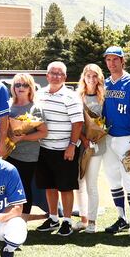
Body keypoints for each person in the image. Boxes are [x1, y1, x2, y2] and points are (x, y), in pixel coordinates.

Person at [101, 46, 130, 242]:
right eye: (108, 60)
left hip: (127, 138)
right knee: (113, 178)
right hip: (107, 138)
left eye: (115, 59)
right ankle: (121, 218)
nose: (112, 63)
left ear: (122, 61)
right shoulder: (104, 84)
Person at [34, 61, 84, 236]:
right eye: (52, 73)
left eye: (59, 73)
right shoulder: (38, 94)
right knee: (49, 186)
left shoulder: (71, 96)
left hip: (65, 149)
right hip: (44, 148)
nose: (55, 76)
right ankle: (53, 218)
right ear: (47, 76)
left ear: (65, 77)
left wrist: (71, 146)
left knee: (65, 187)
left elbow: (78, 123)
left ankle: (67, 221)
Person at [5, 73, 48, 221]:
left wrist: (24, 137)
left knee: (23, 187)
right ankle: (9, 217)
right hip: (8, 153)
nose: (21, 88)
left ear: (30, 88)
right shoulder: (8, 106)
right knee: (9, 187)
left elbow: (43, 132)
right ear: (13, 88)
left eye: (24, 85)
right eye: (17, 85)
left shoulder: (35, 108)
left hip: (28, 155)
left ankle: (22, 219)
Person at [75, 64, 106, 233]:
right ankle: (83, 219)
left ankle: (93, 221)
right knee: (79, 183)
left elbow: (106, 122)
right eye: (88, 76)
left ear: (99, 78)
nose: (92, 79)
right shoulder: (78, 96)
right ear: (83, 77)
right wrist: (83, 139)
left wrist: (94, 137)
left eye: (95, 76)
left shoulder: (104, 98)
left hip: (97, 146)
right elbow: (75, 123)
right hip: (80, 145)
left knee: (91, 184)